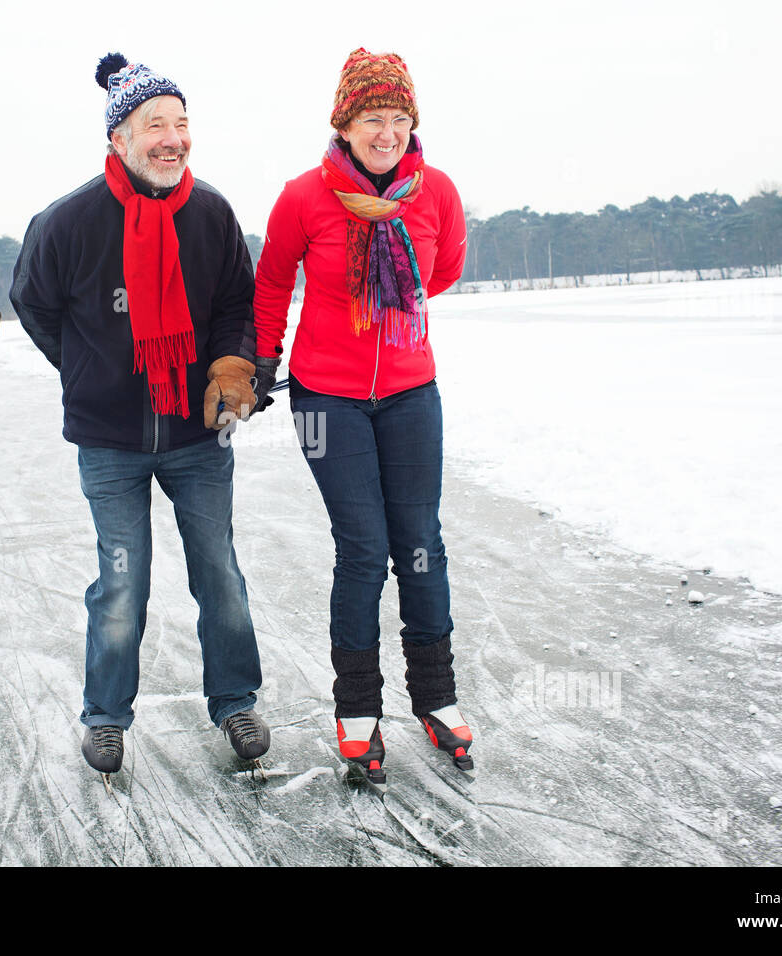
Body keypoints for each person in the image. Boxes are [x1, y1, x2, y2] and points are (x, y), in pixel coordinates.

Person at [10, 52, 267, 780]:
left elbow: (234, 306)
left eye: (182, 124)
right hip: (111, 440)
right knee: (122, 581)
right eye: (156, 124)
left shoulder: (211, 212)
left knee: (219, 571)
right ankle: (105, 717)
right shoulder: (69, 221)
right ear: (120, 137)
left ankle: (235, 700)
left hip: (196, 435)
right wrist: (86, 367)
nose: (173, 139)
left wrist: (228, 363)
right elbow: (33, 302)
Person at [252, 49, 472, 786]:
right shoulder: (304, 197)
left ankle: (436, 699)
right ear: (344, 124)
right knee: (363, 546)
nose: (388, 132)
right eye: (374, 118)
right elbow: (274, 281)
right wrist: (259, 360)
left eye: (400, 118)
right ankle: (358, 711)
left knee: (421, 543)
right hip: (326, 398)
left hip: (411, 392)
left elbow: (444, 272)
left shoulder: (435, 192)